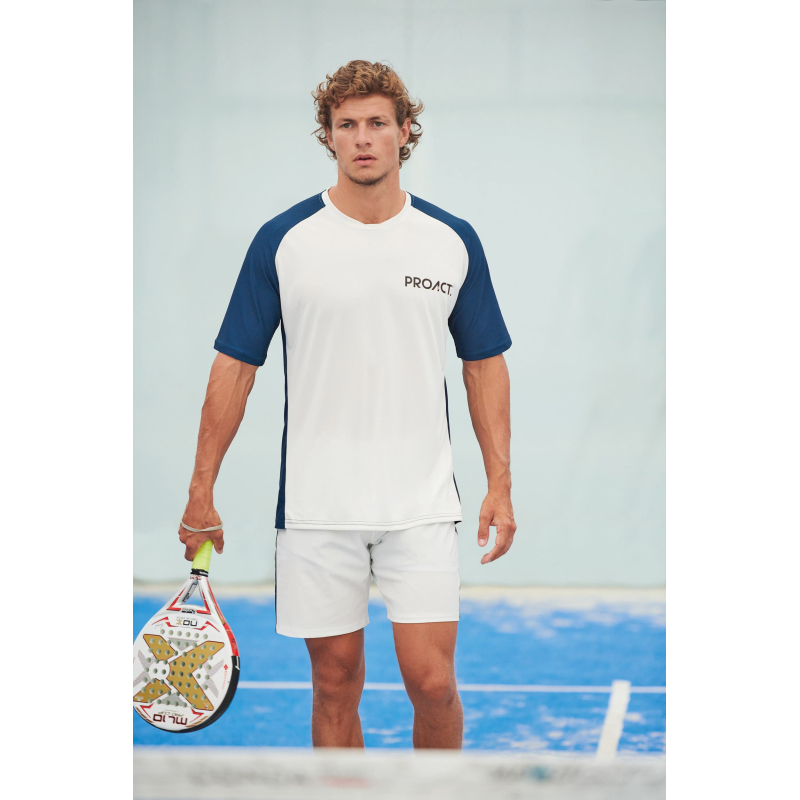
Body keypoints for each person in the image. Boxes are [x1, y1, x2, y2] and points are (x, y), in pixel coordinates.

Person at [178, 60, 516, 750]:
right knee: (335, 684)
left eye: (377, 123)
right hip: (316, 510)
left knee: (433, 683)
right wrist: (201, 488)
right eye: (347, 124)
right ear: (328, 135)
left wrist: (500, 484)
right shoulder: (283, 240)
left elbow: (483, 364)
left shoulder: (451, 240)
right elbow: (235, 368)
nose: (362, 138)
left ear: (405, 131)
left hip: (421, 505)